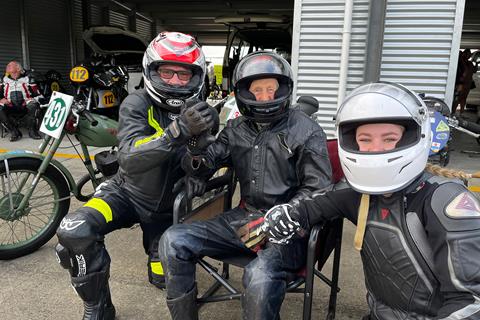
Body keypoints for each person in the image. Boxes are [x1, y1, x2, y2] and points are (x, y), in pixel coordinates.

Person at [263, 82, 480, 319]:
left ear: (416, 136)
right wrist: (285, 213)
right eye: (365, 140)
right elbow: (313, 205)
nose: (376, 149)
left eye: (389, 139)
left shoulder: (445, 200)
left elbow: (470, 302)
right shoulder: (357, 193)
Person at [55, 31, 218, 320]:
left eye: (184, 75)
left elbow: (209, 158)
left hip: (169, 208)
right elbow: (129, 158)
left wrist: (201, 168)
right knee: (74, 230)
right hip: (126, 193)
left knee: (163, 276)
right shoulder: (136, 103)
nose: (175, 81)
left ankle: (157, 256)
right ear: (152, 70)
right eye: (167, 72)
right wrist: (176, 132)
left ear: (197, 77)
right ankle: (98, 308)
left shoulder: (202, 112)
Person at [159, 51, 333, 320]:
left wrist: (287, 215)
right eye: (257, 90)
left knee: (259, 276)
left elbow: (318, 189)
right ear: (244, 93)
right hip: (243, 219)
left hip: (288, 229)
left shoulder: (307, 130)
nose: (265, 97)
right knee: (173, 239)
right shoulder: (235, 128)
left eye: (271, 89)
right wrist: (195, 146)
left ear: (284, 89)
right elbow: (208, 161)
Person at [0, 60, 43, 141]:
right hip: (10, 105)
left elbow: (39, 95)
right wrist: (1, 99)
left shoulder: (28, 79)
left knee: (33, 105)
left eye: (10, 65)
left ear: (18, 68)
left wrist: (33, 99)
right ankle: (14, 131)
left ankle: (32, 131)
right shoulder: (3, 79)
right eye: (8, 65)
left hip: (25, 105)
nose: (7, 66)